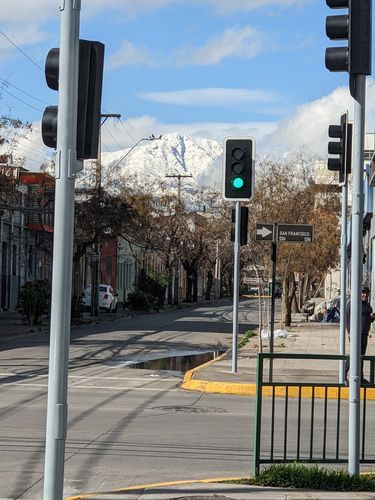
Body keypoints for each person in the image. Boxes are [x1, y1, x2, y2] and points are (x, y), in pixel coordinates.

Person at [345, 285, 375, 385]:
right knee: (354, 355)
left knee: (361, 356)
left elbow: (368, 319)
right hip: (355, 334)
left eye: (366, 293)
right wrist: (349, 332)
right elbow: (347, 317)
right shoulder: (353, 303)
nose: (364, 294)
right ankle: (344, 376)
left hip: (364, 334)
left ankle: (361, 378)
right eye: (363, 292)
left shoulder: (367, 305)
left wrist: (372, 317)